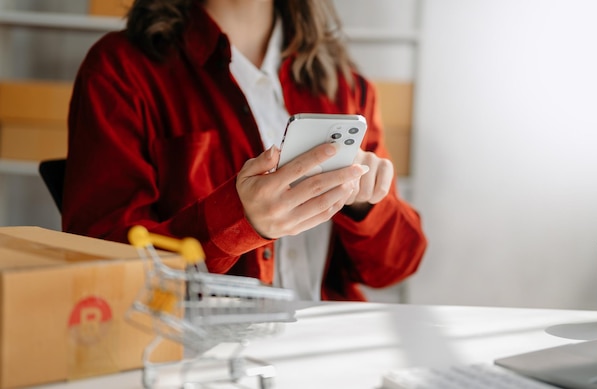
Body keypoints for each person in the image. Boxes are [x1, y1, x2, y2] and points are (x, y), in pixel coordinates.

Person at [63, 0, 427, 301]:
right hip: (197, 351)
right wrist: (238, 221)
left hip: (328, 343)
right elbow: (104, 265)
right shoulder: (120, 71)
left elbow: (396, 266)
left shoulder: (344, 84)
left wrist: (364, 205)